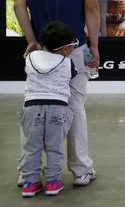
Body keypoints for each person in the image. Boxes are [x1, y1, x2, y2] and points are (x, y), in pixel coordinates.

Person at [13, 0, 100, 186]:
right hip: (73, 50)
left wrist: (31, 40)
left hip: (40, 51)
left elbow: (18, 5)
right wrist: (94, 45)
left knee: (33, 109)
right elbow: (92, 7)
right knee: (74, 107)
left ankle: (26, 172)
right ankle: (81, 171)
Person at [21, 22, 78, 197]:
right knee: (54, 146)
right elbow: (73, 75)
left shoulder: (31, 57)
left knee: (32, 147)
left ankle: (30, 183)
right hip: (57, 108)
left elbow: (27, 63)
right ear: (66, 49)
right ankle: (53, 182)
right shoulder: (67, 62)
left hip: (31, 107)